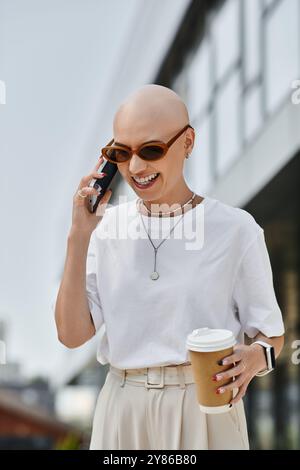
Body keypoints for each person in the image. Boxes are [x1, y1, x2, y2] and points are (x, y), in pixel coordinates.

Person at [54, 84, 285, 450]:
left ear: (188, 142)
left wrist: (256, 358)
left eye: (151, 150)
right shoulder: (104, 229)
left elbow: (271, 335)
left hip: (205, 408)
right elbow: (71, 335)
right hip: (122, 408)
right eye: (120, 153)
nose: (135, 167)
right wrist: (78, 237)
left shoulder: (236, 229)